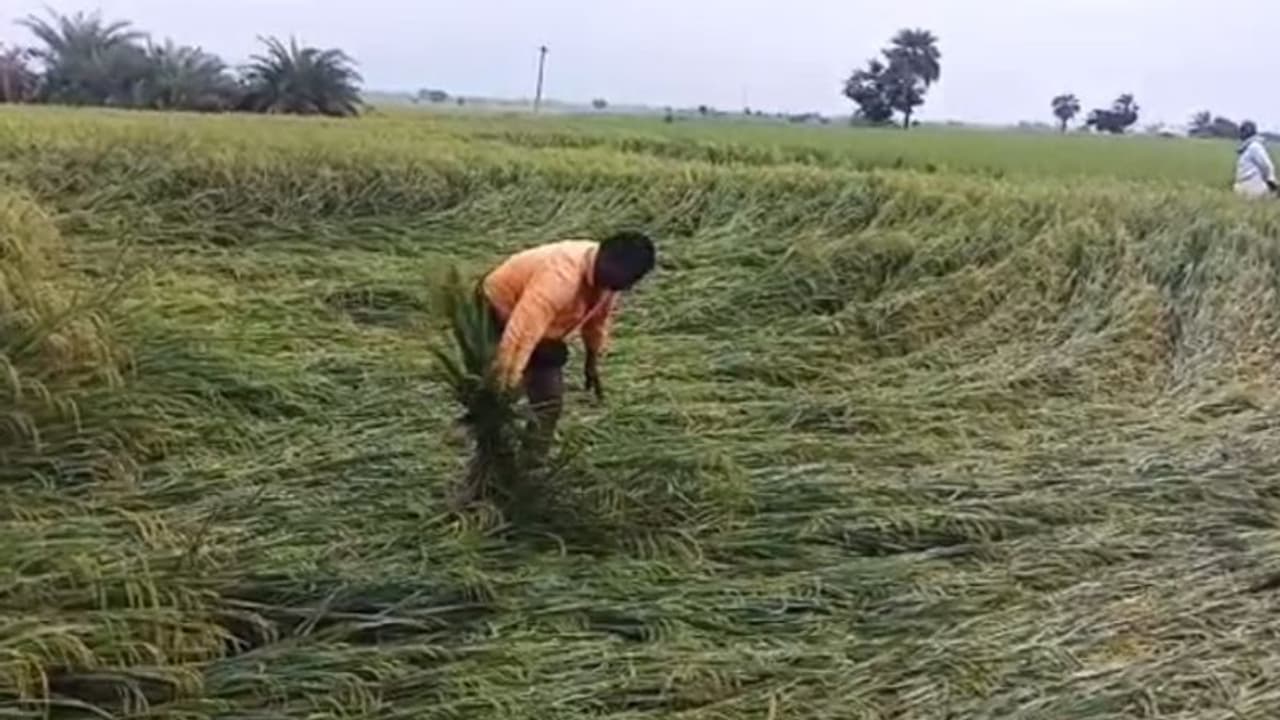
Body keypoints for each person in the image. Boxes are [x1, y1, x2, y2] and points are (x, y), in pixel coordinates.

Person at [479, 230, 656, 454]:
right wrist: (505, 382)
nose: (627, 288)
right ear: (608, 263)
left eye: (632, 282)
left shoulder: (609, 279)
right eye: (625, 281)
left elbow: (597, 322)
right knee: (498, 398)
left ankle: (531, 462)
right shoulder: (560, 278)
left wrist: (591, 362)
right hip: (496, 312)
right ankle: (489, 451)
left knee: (549, 404)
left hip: (544, 331)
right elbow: (521, 334)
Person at [1234, 121, 1278, 199]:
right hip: (1248, 185)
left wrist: (1271, 180)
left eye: (1242, 131)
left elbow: (1266, 166)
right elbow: (1267, 166)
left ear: (1247, 132)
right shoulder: (1250, 147)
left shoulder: (1254, 147)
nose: (1240, 134)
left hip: (1251, 185)